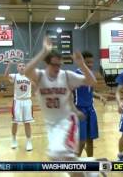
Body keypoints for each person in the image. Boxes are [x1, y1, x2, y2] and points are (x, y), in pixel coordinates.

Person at [25, 37, 97, 177]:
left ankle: (86, 170)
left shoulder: (66, 76)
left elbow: (91, 81)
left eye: (59, 65)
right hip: (51, 125)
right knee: (64, 161)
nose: (57, 68)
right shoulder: (40, 76)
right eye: (54, 65)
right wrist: (44, 51)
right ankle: (88, 171)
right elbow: (27, 71)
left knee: (56, 153)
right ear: (47, 63)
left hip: (67, 122)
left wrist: (82, 65)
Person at [73, 51, 107, 157]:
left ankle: (90, 165)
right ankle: (75, 166)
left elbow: (90, 91)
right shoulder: (75, 75)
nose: (90, 65)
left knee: (90, 140)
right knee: (81, 142)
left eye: (92, 62)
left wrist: (99, 96)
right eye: (88, 62)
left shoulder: (91, 75)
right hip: (79, 111)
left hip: (90, 110)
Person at [4, 61, 34, 151]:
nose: (21, 67)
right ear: (17, 68)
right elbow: (5, 75)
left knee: (27, 122)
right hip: (17, 101)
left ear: (25, 67)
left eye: (23, 65)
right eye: (20, 66)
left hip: (27, 101)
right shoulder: (15, 76)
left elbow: (36, 85)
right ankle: (13, 140)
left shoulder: (30, 76)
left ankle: (29, 141)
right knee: (15, 122)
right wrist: (9, 65)